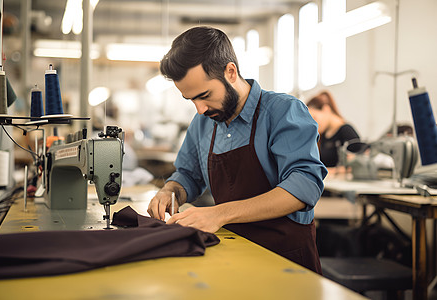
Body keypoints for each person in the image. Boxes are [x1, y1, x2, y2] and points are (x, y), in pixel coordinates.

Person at [147, 26, 327, 273]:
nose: (200, 109)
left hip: (286, 258)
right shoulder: (203, 122)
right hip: (232, 253)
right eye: (191, 100)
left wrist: (220, 214)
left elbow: (304, 187)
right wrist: (170, 191)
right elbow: (188, 175)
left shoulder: (283, 111)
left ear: (230, 72)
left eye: (205, 95)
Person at [306, 91, 361, 171]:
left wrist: (326, 172)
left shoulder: (346, 131)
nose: (314, 124)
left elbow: (356, 165)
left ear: (326, 109)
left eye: (314, 118)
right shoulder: (322, 136)